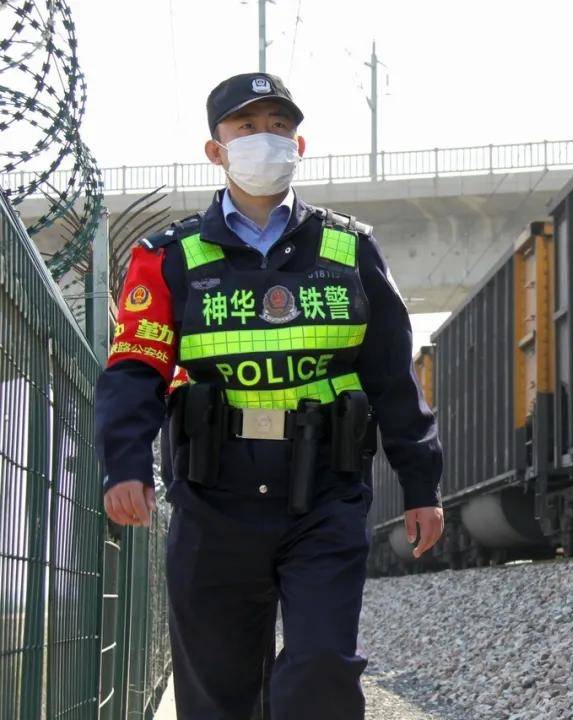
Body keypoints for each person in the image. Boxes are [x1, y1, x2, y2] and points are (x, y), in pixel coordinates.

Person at [94, 72, 444, 719]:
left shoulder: (349, 250)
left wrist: (421, 484)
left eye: (279, 127)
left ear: (299, 144)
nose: (265, 140)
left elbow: (393, 377)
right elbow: (134, 370)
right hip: (212, 496)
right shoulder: (168, 257)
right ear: (215, 149)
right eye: (246, 128)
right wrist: (125, 465)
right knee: (219, 694)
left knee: (319, 668)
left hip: (325, 494)